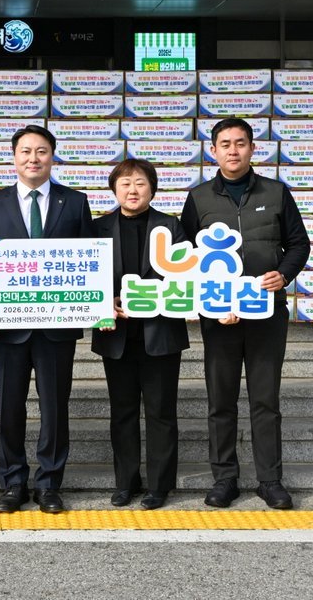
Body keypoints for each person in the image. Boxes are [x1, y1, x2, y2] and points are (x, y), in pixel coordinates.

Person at [181, 118, 310, 510]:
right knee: (220, 400)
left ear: (253, 149)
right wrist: (210, 300)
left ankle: (270, 481)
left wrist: (283, 274)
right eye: (225, 144)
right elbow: (186, 256)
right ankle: (225, 479)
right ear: (213, 151)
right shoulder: (199, 198)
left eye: (240, 143)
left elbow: (299, 244)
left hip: (266, 313)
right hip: (218, 315)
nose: (233, 150)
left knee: (265, 400)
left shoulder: (276, 192)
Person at [0, 124, 95, 514]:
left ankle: (48, 483)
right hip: (8, 326)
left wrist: (95, 305)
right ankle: (12, 482)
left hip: (57, 327)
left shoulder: (74, 202)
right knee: (9, 406)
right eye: (25, 151)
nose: (33, 158)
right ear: (13, 158)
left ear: (52, 156)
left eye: (41, 151)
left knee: (55, 408)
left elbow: (90, 260)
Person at [93, 159, 189, 510]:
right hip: (116, 334)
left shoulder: (170, 226)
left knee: (161, 412)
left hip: (160, 334)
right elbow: (87, 277)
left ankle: (159, 486)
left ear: (152, 189)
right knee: (122, 412)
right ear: (114, 189)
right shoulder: (97, 228)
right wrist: (103, 302)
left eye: (140, 183)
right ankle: (126, 482)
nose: (132, 190)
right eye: (125, 184)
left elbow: (185, 277)